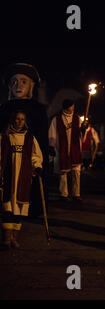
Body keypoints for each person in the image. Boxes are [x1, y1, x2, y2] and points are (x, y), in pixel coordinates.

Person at [0, 63, 49, 217]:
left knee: (26, 186)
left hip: (28, 154)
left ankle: (31, 210)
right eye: (14, 81)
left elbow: (42, 137)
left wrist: (40, 162)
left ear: (31, 85)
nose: (18, 85)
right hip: (9, 155)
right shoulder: (4, 108)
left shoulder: (39, 109)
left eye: (23, 81)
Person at [0, 111, 43, 249]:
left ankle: (14, 238)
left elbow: (35, 155)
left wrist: (37, 166)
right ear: (12, 120)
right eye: (17, 119)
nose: (19, 122)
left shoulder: (30, 138)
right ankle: (6, 238)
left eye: (22, 119)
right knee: (8, 208)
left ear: (25, 121)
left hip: (23, 177)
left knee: (19, 208)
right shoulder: (5, 137)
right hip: (8, 176)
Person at [48, 99, 83, 202]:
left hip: (75, 149)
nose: (73, 107)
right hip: (61, 149)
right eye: (72, 105)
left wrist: (83, 130)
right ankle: (63, 194)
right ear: (67, 107)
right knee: (63, 173)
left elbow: (81, 135)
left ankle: (76, 194)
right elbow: (52, 133)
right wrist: (51, 146)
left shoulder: (77, 118)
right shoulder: (57, 119)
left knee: (76, 172)